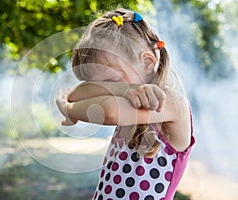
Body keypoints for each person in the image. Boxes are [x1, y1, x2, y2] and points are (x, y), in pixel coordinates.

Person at [56, 8, 195, 200]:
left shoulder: (171, 103)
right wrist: (124, 89)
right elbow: (78, 93)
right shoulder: (127, 97)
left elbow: (108, 111)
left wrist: (69, 110)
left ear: (147, 61)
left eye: (110, 82)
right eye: (100, 85)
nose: (106, 89)